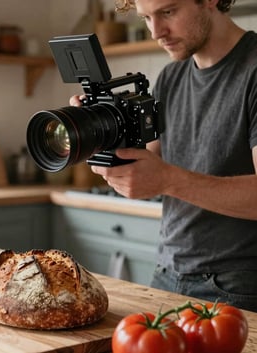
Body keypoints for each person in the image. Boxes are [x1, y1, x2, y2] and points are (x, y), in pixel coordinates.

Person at [70, 0, 257, 312]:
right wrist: (96, 129)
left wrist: (169, 180)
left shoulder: (252, 70)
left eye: (168, 12)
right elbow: (145, 168)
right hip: (167, 272)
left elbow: (164, 178)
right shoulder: (171, 77)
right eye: (146, 17)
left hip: (237, 286)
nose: (156, 31)